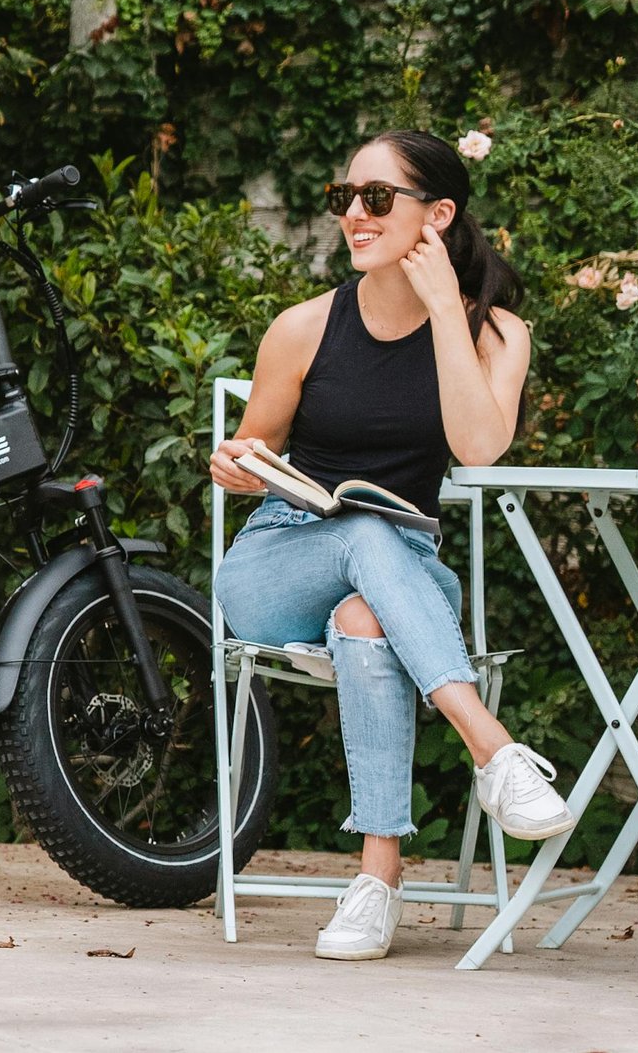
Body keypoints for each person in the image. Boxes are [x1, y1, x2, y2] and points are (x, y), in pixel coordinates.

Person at [209, 130, 574, 962]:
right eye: (345, 198)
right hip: (280, 561)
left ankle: (377, 881)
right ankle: (493, 748)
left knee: (366, 615)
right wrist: (236, 464)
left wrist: (445, 310)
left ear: (437, 215)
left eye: (377, 198)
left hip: (403, 577)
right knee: (364, 532)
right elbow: (254, 455)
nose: (355, 215)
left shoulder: (496, 334)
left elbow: (478, 447)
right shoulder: (303, 328)